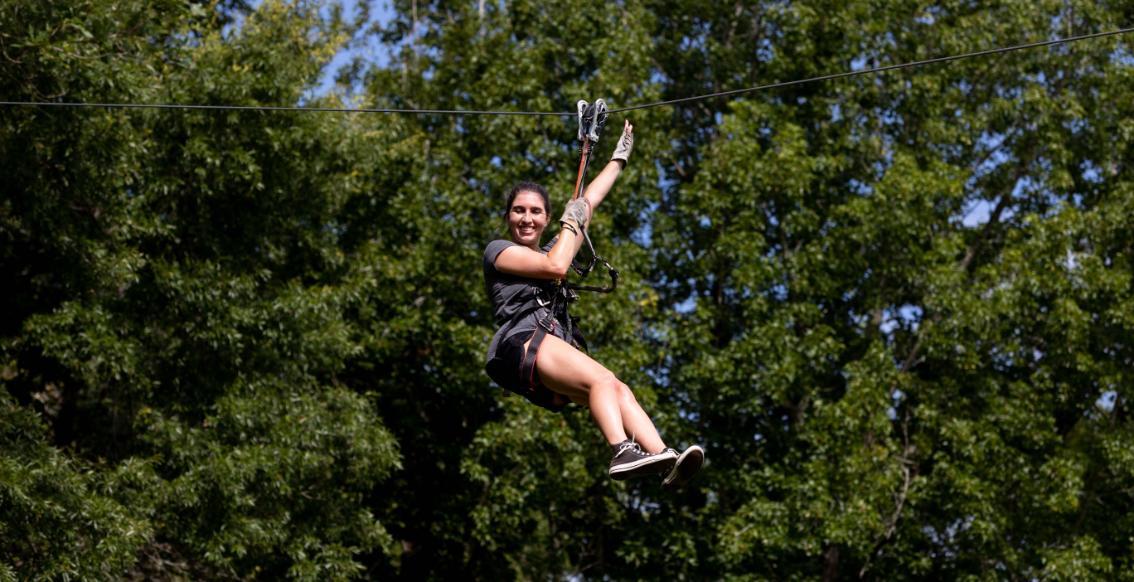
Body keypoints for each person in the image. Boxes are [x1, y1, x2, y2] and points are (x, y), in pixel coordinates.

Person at [483, 120, 704, 486]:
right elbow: (554, 266)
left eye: (535, 212)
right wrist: (571, 225)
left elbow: (590, 202)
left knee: (617, 387)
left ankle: (667, 459)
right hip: (523, 341)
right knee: (600, 378)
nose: (527, 218)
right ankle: (621, 449)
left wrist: (619, 159)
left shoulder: (559, 242)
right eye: (519, 210)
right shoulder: (499, 251)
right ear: (508, 217)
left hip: (545, 343)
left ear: (546, 218)